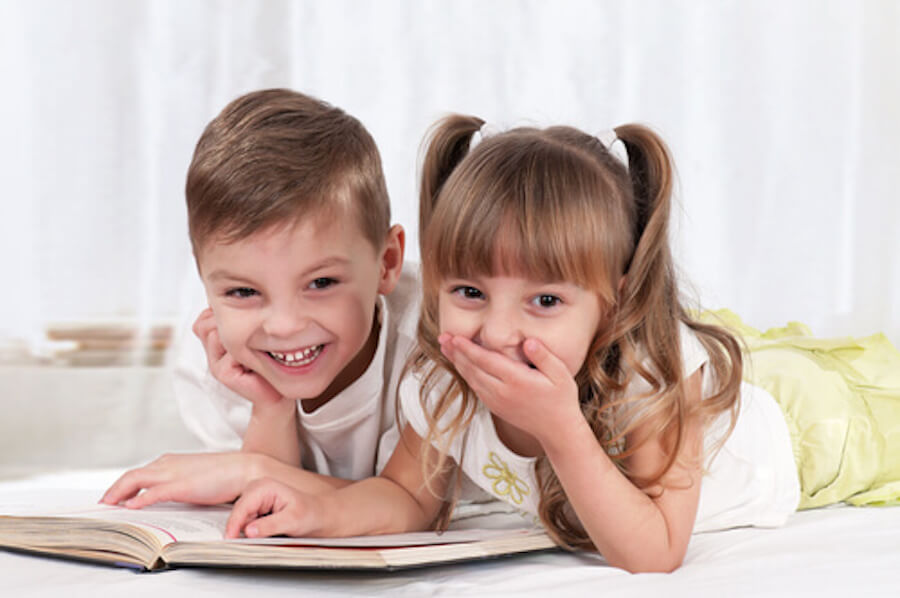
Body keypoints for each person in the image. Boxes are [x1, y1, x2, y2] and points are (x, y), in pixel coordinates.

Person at [232, 115, 900, 572]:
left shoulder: (648, 376)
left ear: (612, 302)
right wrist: (321, 509)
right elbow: (409, 499)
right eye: (469, 292)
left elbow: (656, 551)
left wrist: (561, 428)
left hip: (810, 433)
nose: (496, 332)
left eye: (544, 301)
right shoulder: (445, 380)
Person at [101, 88, 418, 507]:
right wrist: (272, 409)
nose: (284, 325)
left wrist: (252, 470)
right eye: (244, 292)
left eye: (321, 283)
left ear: (387, 262)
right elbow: (272, 501)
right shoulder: (213, 367)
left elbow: (413, 502)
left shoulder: (431, 340)